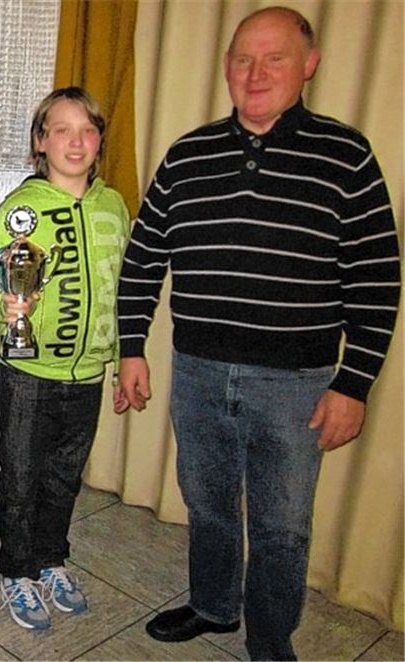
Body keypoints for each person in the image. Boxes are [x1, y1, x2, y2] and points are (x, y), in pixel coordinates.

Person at [116, 7, 400, 660]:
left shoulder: (347, 156)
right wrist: (132, 347)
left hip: (296, 384)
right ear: (225, 69)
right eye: (242, 57)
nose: (256, 71)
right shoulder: (188, 155)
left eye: (275, 57)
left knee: (281, 529)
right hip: (197, 372)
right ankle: (214, 607)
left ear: (310, 64)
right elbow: (144, 259)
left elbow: (376, 277)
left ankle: (270, 643)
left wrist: (353, 383)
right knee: (208, 506)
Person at [0, 87, 130, 630]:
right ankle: (16, 571)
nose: (75, 141)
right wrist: (8, 305)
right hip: (28, 372)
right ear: (40, 142)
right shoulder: (21, 209)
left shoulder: (113, 205)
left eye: (86, 130)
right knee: (21, 477)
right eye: (60, 130)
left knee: (65, 475)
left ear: (99, 142)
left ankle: (51, 559)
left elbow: (122, 290)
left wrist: (119, 359)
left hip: (87, 372)